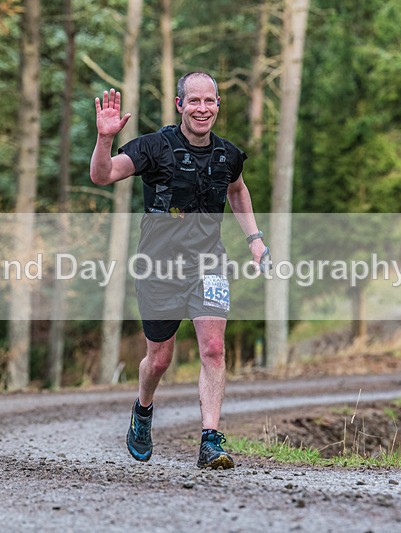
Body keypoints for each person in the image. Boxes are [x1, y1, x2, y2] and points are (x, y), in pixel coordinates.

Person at [90, 72, 267, 469]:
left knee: (214, 349)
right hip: (159, 267)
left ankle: (211, 440)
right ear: (179, 104)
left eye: (209, 102)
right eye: (194, 101)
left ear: (218, 105)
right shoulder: (154, 147)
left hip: (210, 264)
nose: (202, 109)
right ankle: (143, 409)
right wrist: (105, 139)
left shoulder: (228, 155)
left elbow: (237, 190)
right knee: (160, 359)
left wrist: (254, 237)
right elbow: (102, 175)